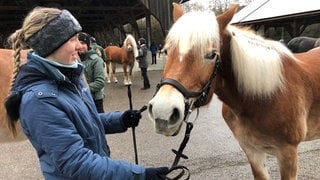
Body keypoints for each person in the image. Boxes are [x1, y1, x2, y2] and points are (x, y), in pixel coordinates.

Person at [4, 7, 168, 179]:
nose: (80, 46)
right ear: (51, 44)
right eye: (72, 39)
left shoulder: (68, 79)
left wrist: (120, 120)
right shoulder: (39, 101)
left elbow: (85, 122)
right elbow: (77, 163)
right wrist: (140, 175)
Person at [78, 32, 105, 113]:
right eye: (78, 43)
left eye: (83, 43)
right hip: (80, 100)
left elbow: (100, 82)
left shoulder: (96, 60)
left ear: (88, 44)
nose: (80, 46)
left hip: (95, 100)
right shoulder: (73, 60)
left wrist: (81, 89)